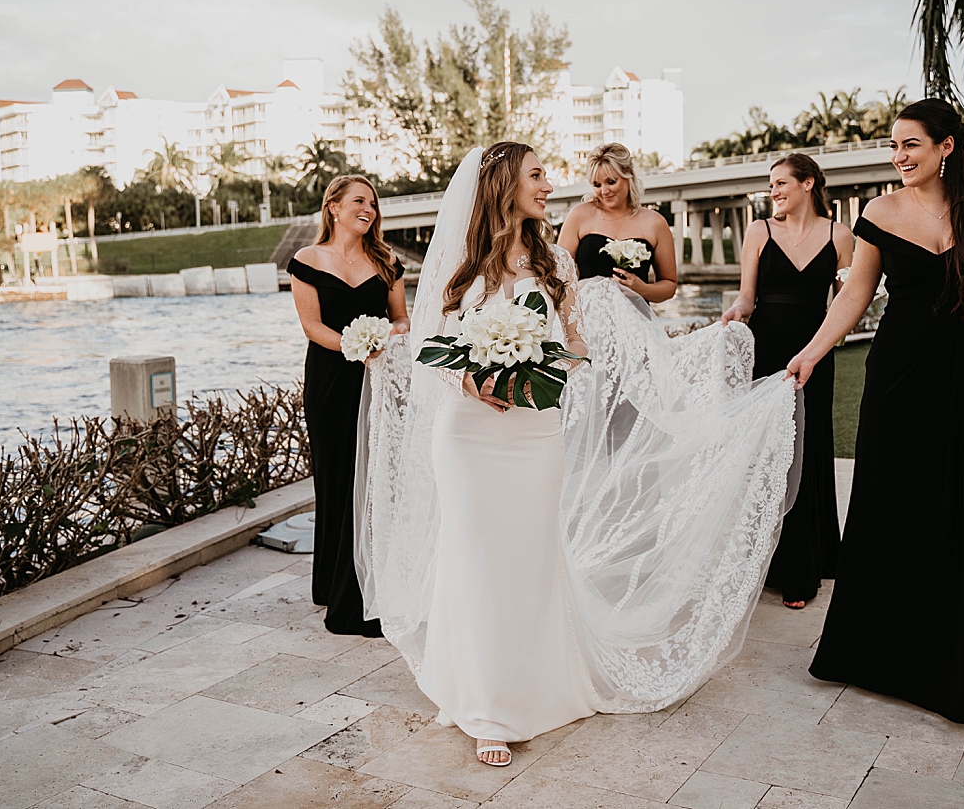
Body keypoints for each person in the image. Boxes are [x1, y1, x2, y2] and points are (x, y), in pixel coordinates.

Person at [355, 143, 805, 767]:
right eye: (536, 175)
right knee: (474, 554)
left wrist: (538, 365)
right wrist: (473, 376)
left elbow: (575, 345)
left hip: (534, 431)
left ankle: (533, 683)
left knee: (530, 554)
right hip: (467, 432)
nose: (548, 185)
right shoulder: (461, 263)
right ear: (504, 184)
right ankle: (482, 699)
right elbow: (430, 343)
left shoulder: (557, 263)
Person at [786, 98, 964, 724]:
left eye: (911, 145)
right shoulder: (879, 211)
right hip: (898, 376)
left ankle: (960, 660)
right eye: (894, 146)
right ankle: (884, 655)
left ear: (946, 147)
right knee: (893, 506)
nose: (899, 157)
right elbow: (854, 294)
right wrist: (813, 353)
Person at [723, 153, 849, 609]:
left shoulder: (841, 236)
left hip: (814, 354)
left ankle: (805, 567)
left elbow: (845, 304)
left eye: (780, 183)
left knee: (808, 449)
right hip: (767, 353)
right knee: (767, 454)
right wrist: (737, 313)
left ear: (809, 183)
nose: (773, 190)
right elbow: (746, 297)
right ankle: (765, 560)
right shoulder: (759, 231)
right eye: (770, 184)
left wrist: (820, 347)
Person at [287, 175, 408, 638]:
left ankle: (368, 585)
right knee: (337, 480)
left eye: (373, 203)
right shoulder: (307, 261)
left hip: (378, 380)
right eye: (359, 201)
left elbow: (400, 317)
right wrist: (355, 345)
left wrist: (390, 336)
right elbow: (312, 327)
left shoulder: (385, 260)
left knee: (374, 482)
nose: (369, 209)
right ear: (333, 207)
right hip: (331, 382)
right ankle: (336, 591)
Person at [557, 142, 678, 303]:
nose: (604, 191)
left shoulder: (655, 223)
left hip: (636, 321)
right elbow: (557, 276)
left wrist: (642, 289)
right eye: (597, 185)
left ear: (628, 175)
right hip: (588, 319)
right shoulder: (579, 216)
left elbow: (669, 285)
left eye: (611, 182)